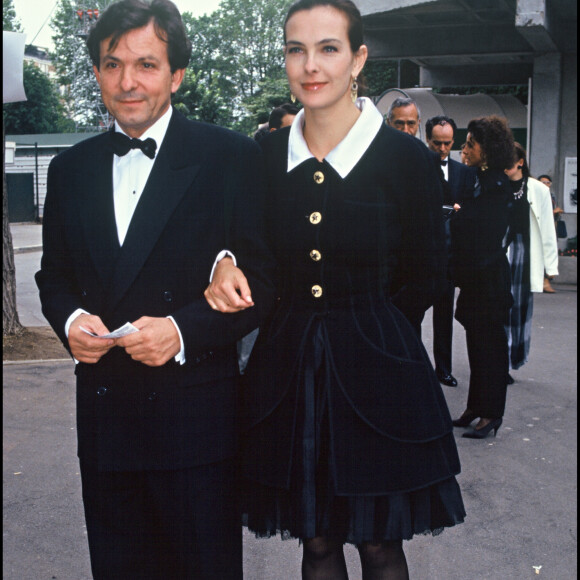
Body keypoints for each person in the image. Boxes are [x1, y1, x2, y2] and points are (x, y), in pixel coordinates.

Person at [206, 1, 465, 578]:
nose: (310, 65)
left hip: (381, 369)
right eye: (296, 49)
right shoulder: (263, 158)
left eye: (328, 48)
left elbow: (427, 268)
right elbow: (245, 246)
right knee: (316, 541)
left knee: (379, 544)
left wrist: (377, 327)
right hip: (287, 371)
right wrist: (226, 259)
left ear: (358, 59)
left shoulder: (405, 158)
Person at [35, 0, 275, 577]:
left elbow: (264, 281)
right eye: (112, 64)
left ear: (177, 75)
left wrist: (181, 331)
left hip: (197, 428)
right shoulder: (69, 170)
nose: (127, 81)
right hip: (106, 426)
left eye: (146, 64)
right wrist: (69, 323)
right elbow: (53, 277)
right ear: (95, 72)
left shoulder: (231, 157)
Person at [450, 115, 515, 439]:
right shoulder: (478, 179)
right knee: (477, 346)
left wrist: (460, 218)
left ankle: (491, 414)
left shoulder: (497, 185)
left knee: (490, 348)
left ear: (486, 151)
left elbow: (484, 233)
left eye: (471, 143)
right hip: (479, 276)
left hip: (487, 278)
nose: (465, 148)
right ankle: (476, 407)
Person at [425, 115, 477, 387]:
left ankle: (443, 369)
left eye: (447, 143)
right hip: (419, 257)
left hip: (448, 259)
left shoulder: (464, 173)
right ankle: (412, 368)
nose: (443, 149)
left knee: (443, 317)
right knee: (410, 316)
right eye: (437, 143)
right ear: (428, 140)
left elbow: (465, 213)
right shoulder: (415, 168)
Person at [504, 144, 559, 377]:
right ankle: (501, 362)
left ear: (520, 162)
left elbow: (547, 228)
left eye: (509, 161)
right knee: (501, 308)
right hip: (501, 250)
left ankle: (515, 356)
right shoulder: (497, 185)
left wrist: (551, 266)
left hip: (526, 252)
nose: (505, 166)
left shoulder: (538, 189)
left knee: (520, 310)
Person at [537, 174, 563, 293]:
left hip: (552, 228)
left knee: (550, 253)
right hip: (540, 229)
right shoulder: (536, 195)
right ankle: (545, 281)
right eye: (543, 182)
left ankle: (547, 279)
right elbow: (538, 213)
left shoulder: (552, 196)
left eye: (548, 183)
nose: (546, 185)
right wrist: (553, 212)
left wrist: (556, 213)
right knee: (541, 254)